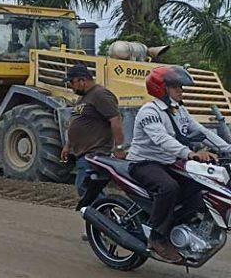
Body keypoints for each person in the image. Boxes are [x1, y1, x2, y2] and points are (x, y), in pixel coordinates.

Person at [126, 65, 231, 262]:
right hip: (145, 162)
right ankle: (156, 238)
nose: (181, 90)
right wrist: (189, 153)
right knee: (169, 188)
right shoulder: (150, 111)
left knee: (200, 185)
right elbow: (162, 139)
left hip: (169, 161)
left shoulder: (179, 110)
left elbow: (201, 132)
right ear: (161, 89)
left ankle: (180, 223)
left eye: (181, 87)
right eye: (176, 87)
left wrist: (227, 149)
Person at [61, 64, 126, 197]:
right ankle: (104, 214)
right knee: (87, 189)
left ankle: (106, 213)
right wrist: (68, 146)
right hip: (83, 153)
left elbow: (115, 120)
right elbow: (75, 121)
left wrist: (119, 147)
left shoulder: (100, 94)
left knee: (85, 188)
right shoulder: (83, 98)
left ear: (82, 80)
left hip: (95, 153)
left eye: (72, 83)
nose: (71, 87)